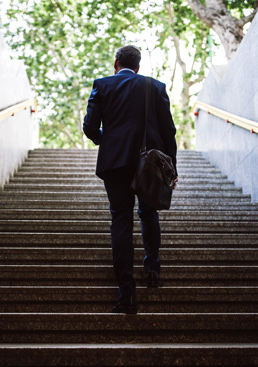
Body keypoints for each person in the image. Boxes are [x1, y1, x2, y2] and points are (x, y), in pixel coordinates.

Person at [83, 45, 178, 314]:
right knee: (149, 214)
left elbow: (90, 127)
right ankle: (152, 270)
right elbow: (168, 131)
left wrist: (108, 141)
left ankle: (126, 293)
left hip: (115, 164)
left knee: (121, 220)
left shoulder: (102, 85)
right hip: (149, 164)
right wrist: (172, 170)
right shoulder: (155, 87)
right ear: (138, 66)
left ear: (116, 63)